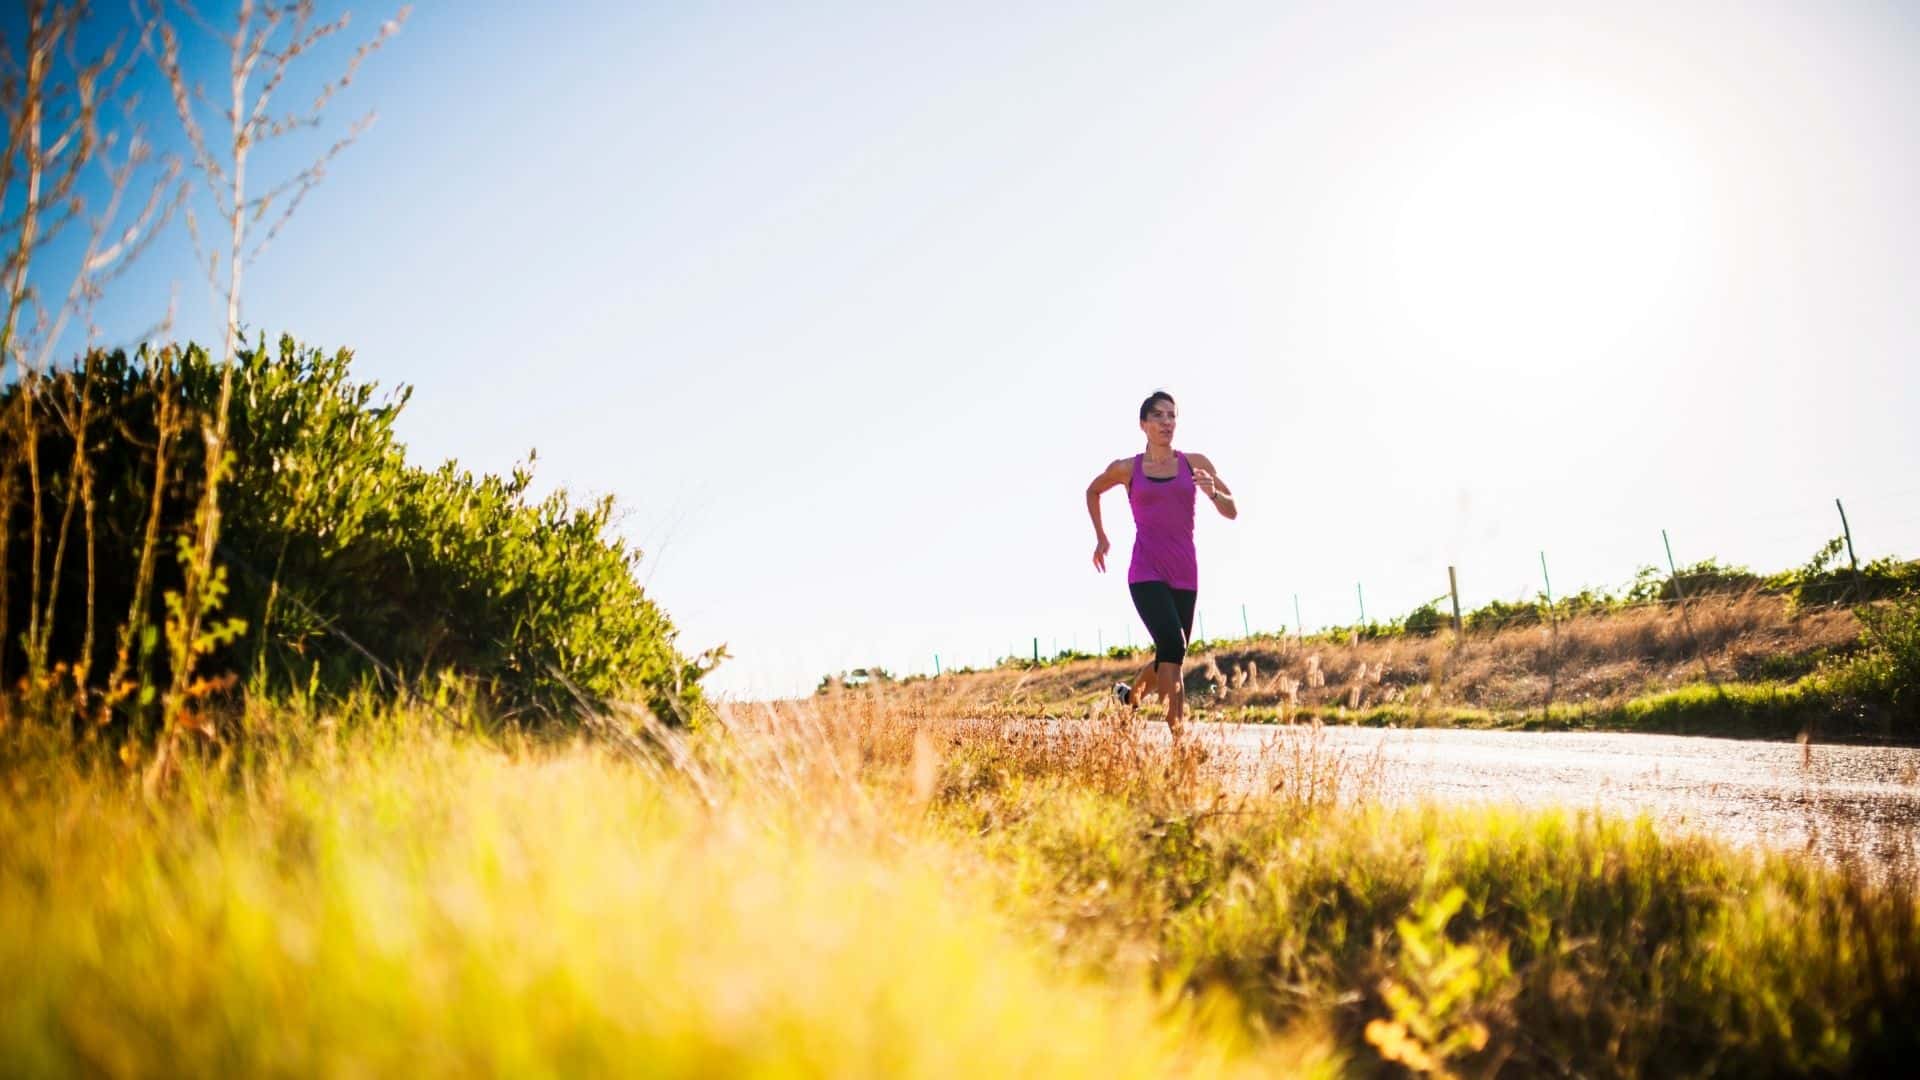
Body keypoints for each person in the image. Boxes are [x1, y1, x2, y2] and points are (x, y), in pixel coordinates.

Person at [1084, 390, 1237, 734]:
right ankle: (1179, 737)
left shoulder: (1195, 463)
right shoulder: (1127, 468)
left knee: (1171, 654)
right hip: (1145, 571)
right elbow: (1092, 490)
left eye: (1172, 415)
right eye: (1159, 416)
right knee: (1173, 644)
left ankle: (1128, 699)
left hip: (1185, 571)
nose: (1167, 422)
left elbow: (1232, 511)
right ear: (1143, 424)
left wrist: (1212, 491)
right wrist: (1102, 536)